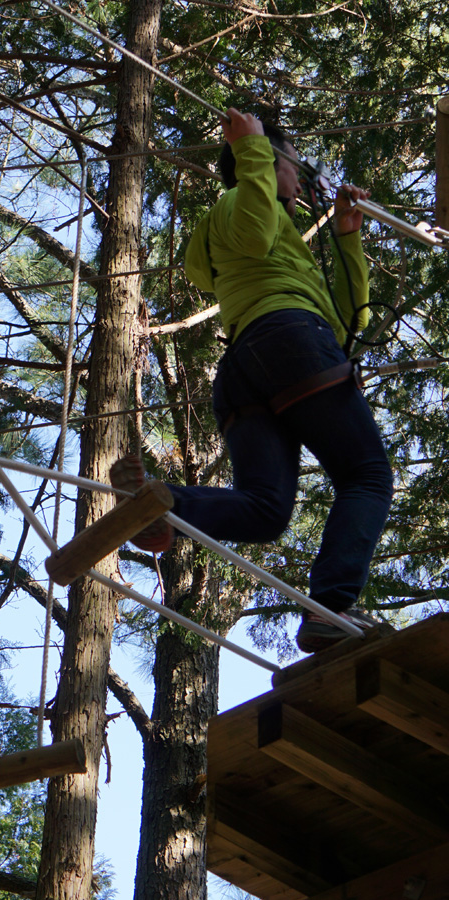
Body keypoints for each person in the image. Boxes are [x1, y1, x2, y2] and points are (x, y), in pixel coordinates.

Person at [113, 107, 393, 654]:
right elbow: (258, 230)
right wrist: (253, 149)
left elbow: (350, 323)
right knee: (368, 475)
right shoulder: (237, 205)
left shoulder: (274, 239)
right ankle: (332, 607)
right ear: (270, 164)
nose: (301, 174)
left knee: (266, 512)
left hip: (252, 367)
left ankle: (160, 503)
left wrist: (347, 238)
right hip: (287, 342)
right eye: (292, 162)